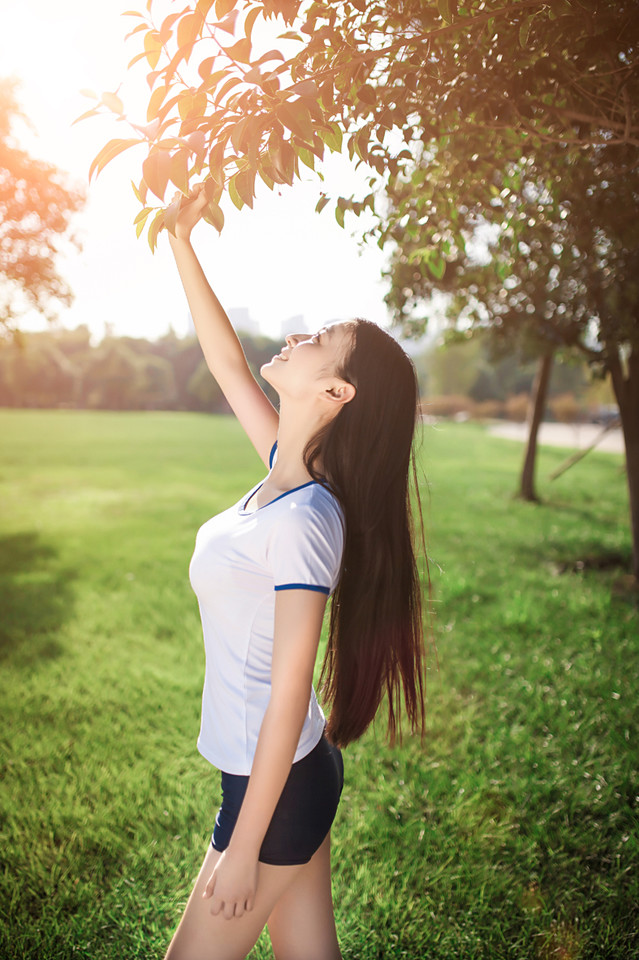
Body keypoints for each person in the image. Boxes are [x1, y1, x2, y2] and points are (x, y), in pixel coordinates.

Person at [163, 184, 429, 960]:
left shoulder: (306, 519)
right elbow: (223, 361)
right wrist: (181, 239)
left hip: (272, 791)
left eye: (317, 337)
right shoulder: (285, 476)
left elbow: (289, 688)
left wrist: (243, 848)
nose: (293, 334)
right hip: (288, 776)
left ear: (335, 392)